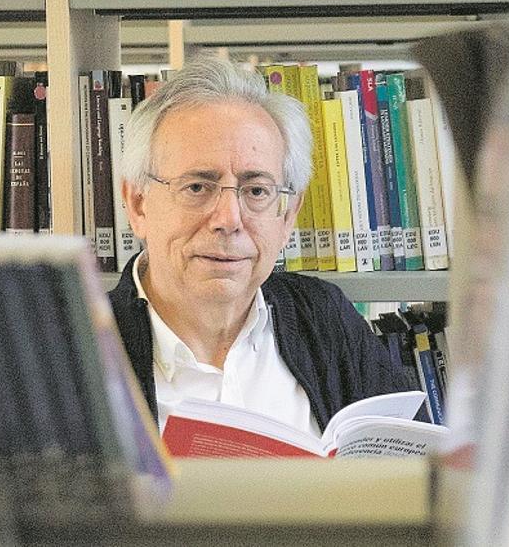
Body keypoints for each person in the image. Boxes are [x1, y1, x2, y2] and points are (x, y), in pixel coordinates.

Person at [107, 55, 417, 436]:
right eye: (197, 187)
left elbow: (414, 474)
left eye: (256, 190)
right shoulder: (75, 349)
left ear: (287, 215)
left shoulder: (325, 318)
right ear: (138, 204)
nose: (228, 220)